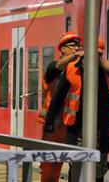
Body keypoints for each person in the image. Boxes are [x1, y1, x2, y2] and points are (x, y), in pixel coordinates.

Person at [44, 38, 109, 182]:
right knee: (76, 167)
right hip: (76, 129)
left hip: (100, 130)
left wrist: (108, 67)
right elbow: (58, 97)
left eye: (97, 56)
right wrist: (49, 121)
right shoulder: (72, 69)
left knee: (98, 168)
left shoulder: (107, 70)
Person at [38, 32, 83, 182]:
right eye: (73, 46)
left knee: (76, 167)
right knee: (50, 170)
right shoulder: (53, 69)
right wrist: (76, 56)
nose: (77, 48)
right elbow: (54, 69)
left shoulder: (78, 71)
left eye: (79, 46)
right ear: (63, 49)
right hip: (53, 129)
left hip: (70, 126)